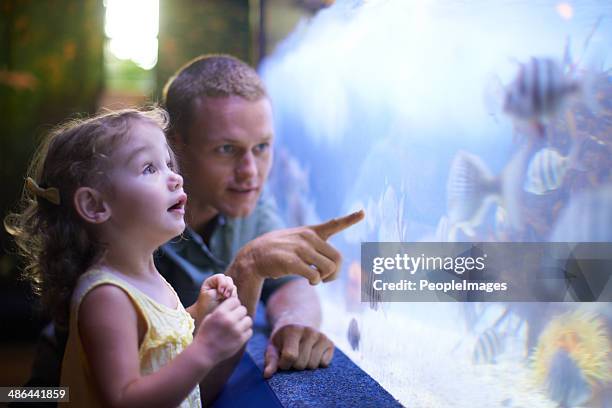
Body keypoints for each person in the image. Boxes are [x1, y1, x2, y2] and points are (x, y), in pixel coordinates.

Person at [5, 108, 253, 407]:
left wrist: (197, 314)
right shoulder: (106, 297)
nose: (175, 177)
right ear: (95, 205)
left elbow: (155, 344)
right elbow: (124, 400)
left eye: (168, 163)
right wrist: (206, 350)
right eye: (149, 168)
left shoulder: (146, 277)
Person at [159, 54, 364, 400]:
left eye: (262, 147)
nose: (251, 172)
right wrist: (248, 266)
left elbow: (289, 285)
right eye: (227, 149)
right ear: (174, 144)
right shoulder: (131, 217)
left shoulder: (246, 196)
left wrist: (291, 323)